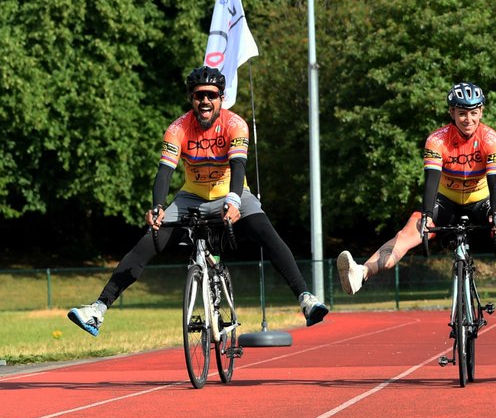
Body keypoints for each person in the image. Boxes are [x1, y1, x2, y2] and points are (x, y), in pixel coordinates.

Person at [67, 66, 329, 336]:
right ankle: (98, 309)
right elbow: (164, 172)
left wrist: (235, 201)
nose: (205, 100)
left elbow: (238, 166)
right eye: (198, 95)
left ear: (221, 98)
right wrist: (158, 207)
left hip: (232, 192)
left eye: (211, 95)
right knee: (149, 241)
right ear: (191, 98)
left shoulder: (235, 125)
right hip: (191, 197)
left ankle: (306, 299)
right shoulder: (177, 129)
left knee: (267, 233)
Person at [336, 82, 496, 296]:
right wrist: (427, 216)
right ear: (452, 113)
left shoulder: (491, 140)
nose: (467, 119)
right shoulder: (437, 140)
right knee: (409, 234)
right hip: (445, 199)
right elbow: (431, 181)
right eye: (461, 113)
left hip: (482, 198)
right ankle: (361, 273)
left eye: (473, 113)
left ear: (481, 112)